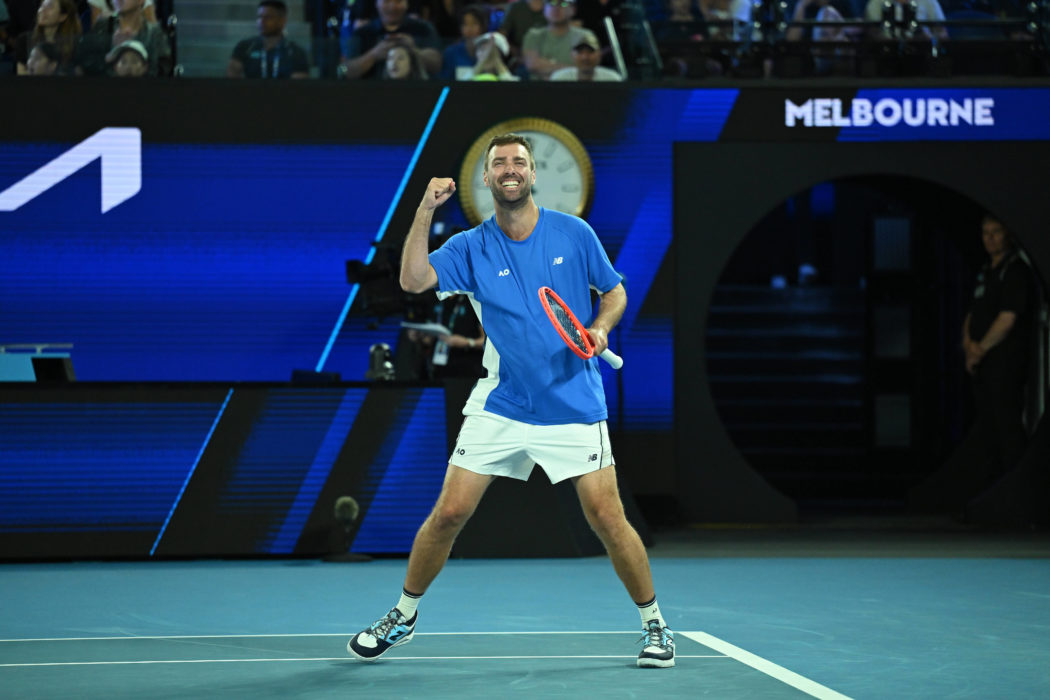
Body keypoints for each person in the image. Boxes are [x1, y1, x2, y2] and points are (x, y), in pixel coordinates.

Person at [346, 133, 675, 669]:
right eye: (499, 162)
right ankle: (402, 617)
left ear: (532, 174)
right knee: (449, 513)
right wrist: (425, 208)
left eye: (518, 161)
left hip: (573, 405)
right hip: (501, 405)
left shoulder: (574, 232)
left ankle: (655, 627)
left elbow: (613, 291)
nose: (509, 169)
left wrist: (600, 326)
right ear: (487, 178)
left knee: (607, 518)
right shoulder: (470, 246)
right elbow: (413, 279)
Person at [911, 214, 1036, 512]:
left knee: (1007, 426)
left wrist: (981, 348)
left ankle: (1018, 495)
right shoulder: (986, 271)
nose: (990, 238)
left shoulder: (1015, 271)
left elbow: (1007, 318)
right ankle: (993, 493)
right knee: (989, 428)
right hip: (983, 366)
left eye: (996, 232)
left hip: (1004, 363)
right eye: (985, 233)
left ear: (1008, 235)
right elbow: (973, 312)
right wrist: (968, 346)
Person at [342, 0, 442, 80]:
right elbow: (347, 71)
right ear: (377, 3)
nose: (392, 6)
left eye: (398, 1)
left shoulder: (423, 29)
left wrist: (413, 50)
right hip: (372, 95)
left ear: (407, 3)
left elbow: (438, 65)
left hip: (416, 93)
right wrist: (374, 54)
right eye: (386, 1)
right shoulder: (363, 33)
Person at [77, 0, 171, 75]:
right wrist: (109, 54)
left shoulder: (154, 33)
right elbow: (85, 63)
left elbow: (164, 68)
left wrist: (142, 68)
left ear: (141, 1)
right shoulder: (102, 27)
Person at [227, 0, 310, 79]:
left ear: (282, 21)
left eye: (268, 17)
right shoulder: (245, 47)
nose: (261, 21)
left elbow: (299, 87)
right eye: (259, 17)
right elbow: (232, 79)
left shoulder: (295, 52)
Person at [521, 0, 600, 80]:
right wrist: (571, 70)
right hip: (540, 89)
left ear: (573, 9)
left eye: (563, 3)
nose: (556, 8)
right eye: (552, 3)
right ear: (544, 8)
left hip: (574, 88)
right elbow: (533, 65)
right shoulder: (534, 35)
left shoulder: (585, 36)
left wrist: (548, 66)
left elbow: (587, 68)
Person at [14, 0, 80, 75]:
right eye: (41, 6)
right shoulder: (24, 40)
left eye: (49, 6)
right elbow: (21, 74)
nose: (42, 10)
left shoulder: (74, 45)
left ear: (62, 17)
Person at [438, 4, 487, 80]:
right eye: (465, 24)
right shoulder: (451, 53)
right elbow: (444, 83)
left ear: (482, 26)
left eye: (474, 23)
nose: (469, 29)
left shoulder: (490, 52)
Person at [550, 33, 623, 80]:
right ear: (572, 55)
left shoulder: (612, 79)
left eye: (590, 52)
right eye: (580, 52)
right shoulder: (560, 78)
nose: (585, 57)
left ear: (599, 54)